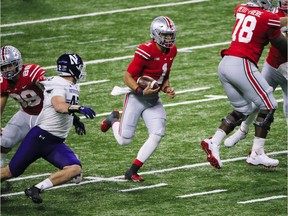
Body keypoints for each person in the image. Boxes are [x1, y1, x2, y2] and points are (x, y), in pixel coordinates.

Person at [201, 0, 287, 169]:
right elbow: (282, 46)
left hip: (225, 64)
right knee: (269, 104)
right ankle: (257, 152)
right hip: (242, 64)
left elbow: (259, 20)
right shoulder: (267, 17)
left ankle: (214, 141)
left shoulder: (241, 8)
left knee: (243, 109)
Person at [0, 53, 96, 204]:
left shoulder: (70, 84)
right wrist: (79, 108)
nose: (81, 70)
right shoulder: (58, 84)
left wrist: (75, 119)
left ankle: (36, 189)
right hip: (40, 139)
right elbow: (59, 105)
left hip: (55, 142)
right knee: (9, 172)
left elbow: (62, 107)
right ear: (72, 68)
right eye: (79, 67)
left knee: (75, 169)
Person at [100, 16, 177, 182]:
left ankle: (132, 170)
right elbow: (127, 77)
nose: (169, 39)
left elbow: (164, 75)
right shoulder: (146, 50)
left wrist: (167, 88)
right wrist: (140, 91)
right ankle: (114, 119)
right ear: (155, 34)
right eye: (165, 35)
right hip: (137, 97)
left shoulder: (172, 51)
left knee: (158, 133)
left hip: (153, 99)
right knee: (124, 140)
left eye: (171, 35)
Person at [0, 46, 86, 168]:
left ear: (18, 62)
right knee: (3, 142)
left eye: (11, 65)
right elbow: (1, 100)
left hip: (43, 115)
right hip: (24, 113)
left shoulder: (31, 72)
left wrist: (74, 118)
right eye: (4, 67)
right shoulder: (2, 81)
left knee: (48, 145)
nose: (8, 69)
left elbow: (52, 92)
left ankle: (71, 161)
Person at [224, 0, 288, 147]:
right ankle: (242, 130)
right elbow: (273, 22)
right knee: (256, 103)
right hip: (273, 65)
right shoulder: (272, 14)